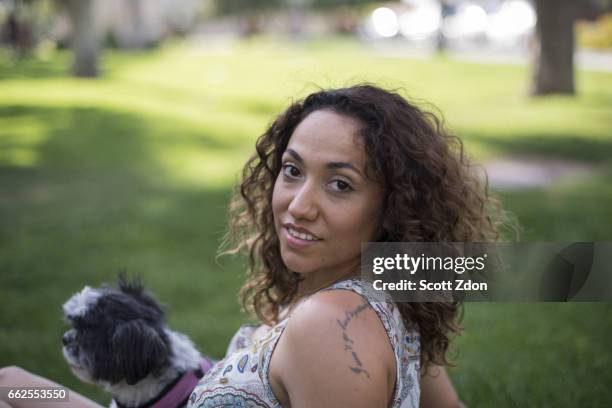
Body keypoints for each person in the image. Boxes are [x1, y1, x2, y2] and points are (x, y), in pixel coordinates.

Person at [1, 84, 507, 407]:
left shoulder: (328, 326)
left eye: (340, 184)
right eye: (292, 170)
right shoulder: (397, 280)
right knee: (14, 384)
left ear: (393, 208)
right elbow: (550, 273)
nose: (297, 205)